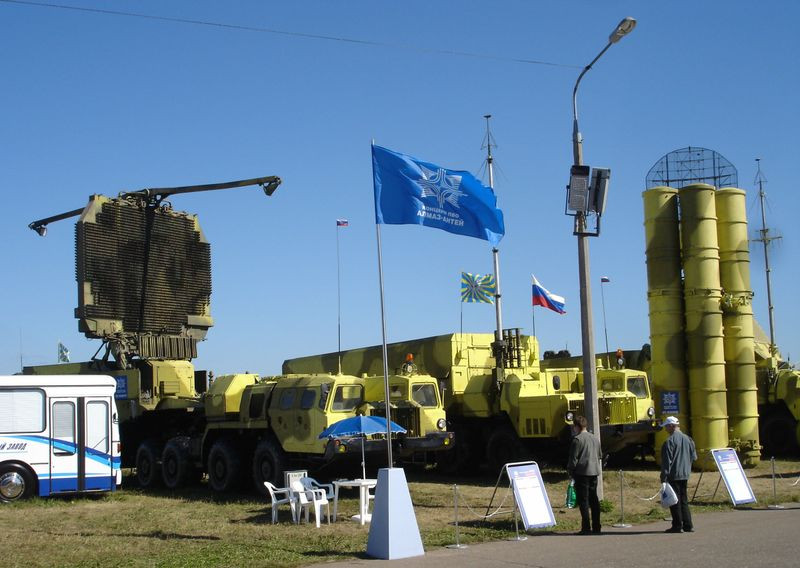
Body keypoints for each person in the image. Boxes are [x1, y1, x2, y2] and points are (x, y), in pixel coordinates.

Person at [660, 416, 697, 533]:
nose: (665, 429)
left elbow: (667, 462)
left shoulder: (669, 442)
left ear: (671, 426)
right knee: (683, 499)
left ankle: (677, 525)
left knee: (674, 500)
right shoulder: (688, 439)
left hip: (673, 474)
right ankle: (688, 525)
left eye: (666, 426)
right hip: (685, 473)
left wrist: (663, 477)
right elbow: (694, 457)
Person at [566, 415, 603, 534]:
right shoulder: (595, 438)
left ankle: (586, 527)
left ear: (577, 426)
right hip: (594, 472)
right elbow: (600, 455)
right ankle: (597, 526)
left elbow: (573, 459)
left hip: (582, 472)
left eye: (574, 427)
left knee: (584, 500)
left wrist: (570, 472)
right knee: (594, 499)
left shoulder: (577, 440)